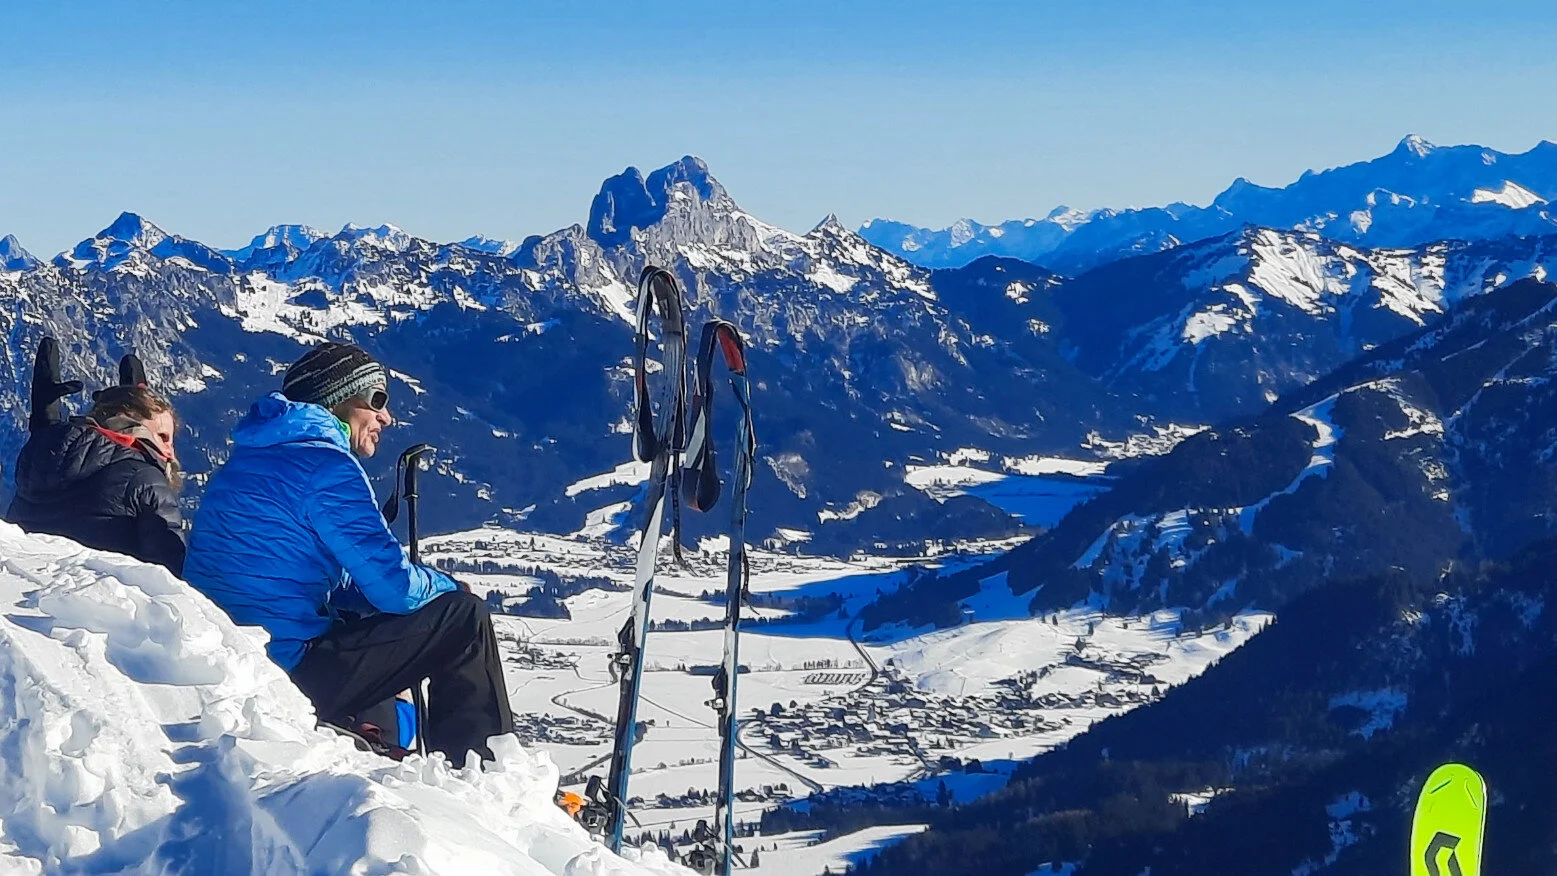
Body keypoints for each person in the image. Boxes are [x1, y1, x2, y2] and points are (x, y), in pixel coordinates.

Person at [182, 341, 513, 766]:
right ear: (337, 399)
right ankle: (483, 771)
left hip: (231, 658)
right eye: (377, 400)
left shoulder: (246, 461)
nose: (386, 417)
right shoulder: (326, 466)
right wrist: (448, 587)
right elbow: (395, 589)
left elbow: (306, 579)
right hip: (284, 667)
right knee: (463, 617)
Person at [6, 339, 186, 575]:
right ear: (128, 420)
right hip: (108, 606)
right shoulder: (146, 480)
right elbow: (168, 577)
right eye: (163, 436)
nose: (170, 450)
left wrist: (44, 427)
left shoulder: (38, 457)